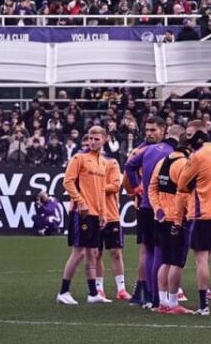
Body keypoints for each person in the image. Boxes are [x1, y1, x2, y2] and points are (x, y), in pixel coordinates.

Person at [176, 128, 211, 315]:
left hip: (201, 213)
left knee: (202, 259)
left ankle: (204, 306)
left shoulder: (197, 156)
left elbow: (182, 184)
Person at [57, 129, 113, 305]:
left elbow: (102, 191)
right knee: (79, 252)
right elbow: (67, 181)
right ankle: (63, 292)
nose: (93, 142)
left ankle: (93, 293)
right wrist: (80, 202)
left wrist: (103, 213)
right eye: (90, 138)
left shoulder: (104, 163)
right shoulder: (79, 158)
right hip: (81, 213)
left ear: (104, 140)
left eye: (96, 139)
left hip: (96, 214)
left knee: (93, 253)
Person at [124, 118, 173, 308]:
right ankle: (151, 292)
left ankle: (144, 291)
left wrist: (137, 188)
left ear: (163, 130)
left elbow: (129, 168)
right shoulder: (145, 150)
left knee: (149, 250)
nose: (149, 133)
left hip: (148, 205)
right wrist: (136, 189)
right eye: (147, 129)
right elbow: (127, 172)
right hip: (153, 206)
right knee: (153, 250)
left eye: (153, 129)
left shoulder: (145, 150)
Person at [148, 124, 193, 314]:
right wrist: (186, 215)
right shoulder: (183, 164)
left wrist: (157, 209)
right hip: (177, 219)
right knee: (177, 262)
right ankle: (174, 303)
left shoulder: (162, 161)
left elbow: (152, 187)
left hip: (162, 218)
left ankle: (163, 302)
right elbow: (185, 193)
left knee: (165, 261)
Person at [94, 146, 128, 302]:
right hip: (93, 214)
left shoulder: (112, 163)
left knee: (116, 252)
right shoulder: (83, 164)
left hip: (111, 215)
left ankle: (121, 289)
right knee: (96, 254)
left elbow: (115, 186)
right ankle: (98, 289)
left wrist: (93, 187)